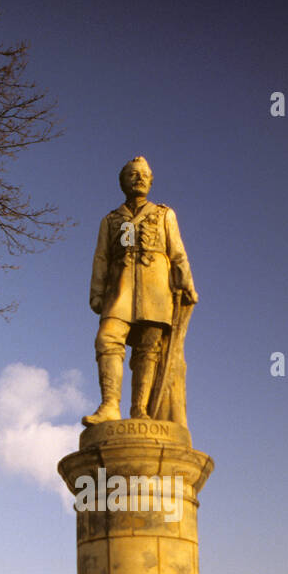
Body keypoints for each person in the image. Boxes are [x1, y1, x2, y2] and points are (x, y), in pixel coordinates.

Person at [82, 156, 197, 425]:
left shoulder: (164, 214)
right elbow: (101, 257)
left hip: (156, 290)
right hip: (119, 289)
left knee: (149, 348)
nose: (140, 178)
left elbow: (177, 253)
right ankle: (110, 405)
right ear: (123, 181)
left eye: (144, 174)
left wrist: (186, 284)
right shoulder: (111, 220)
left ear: (151, 180)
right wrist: (97, 292)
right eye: (133, 174)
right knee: (107, 338)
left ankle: (140, 410)